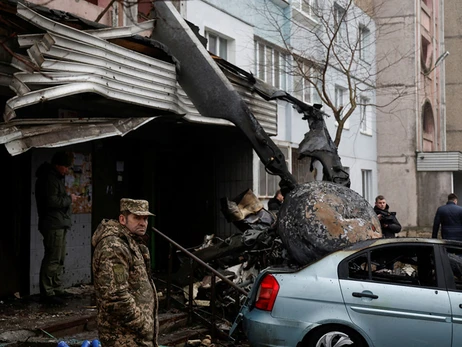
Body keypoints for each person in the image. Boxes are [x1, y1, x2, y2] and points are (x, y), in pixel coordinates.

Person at [92, 198, 159, 347]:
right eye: (137, 218)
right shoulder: (114, 246)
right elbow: (116, 296)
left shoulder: (131, 242)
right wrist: (143, 324)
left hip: (135, 336)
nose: (143, 223)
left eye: (145, 218)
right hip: (124, 337)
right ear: (122, 219)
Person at [35, 151, 79, 306]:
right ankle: (47, 292)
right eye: (65, 166)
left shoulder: (54, 178)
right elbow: (52, 201)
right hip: (52, 223)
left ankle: (56, 288)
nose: (66, 170)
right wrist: (69, 199)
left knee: (59, 258)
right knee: (53, 258)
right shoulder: (49, 179)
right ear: (57, 165)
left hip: (58, 223)